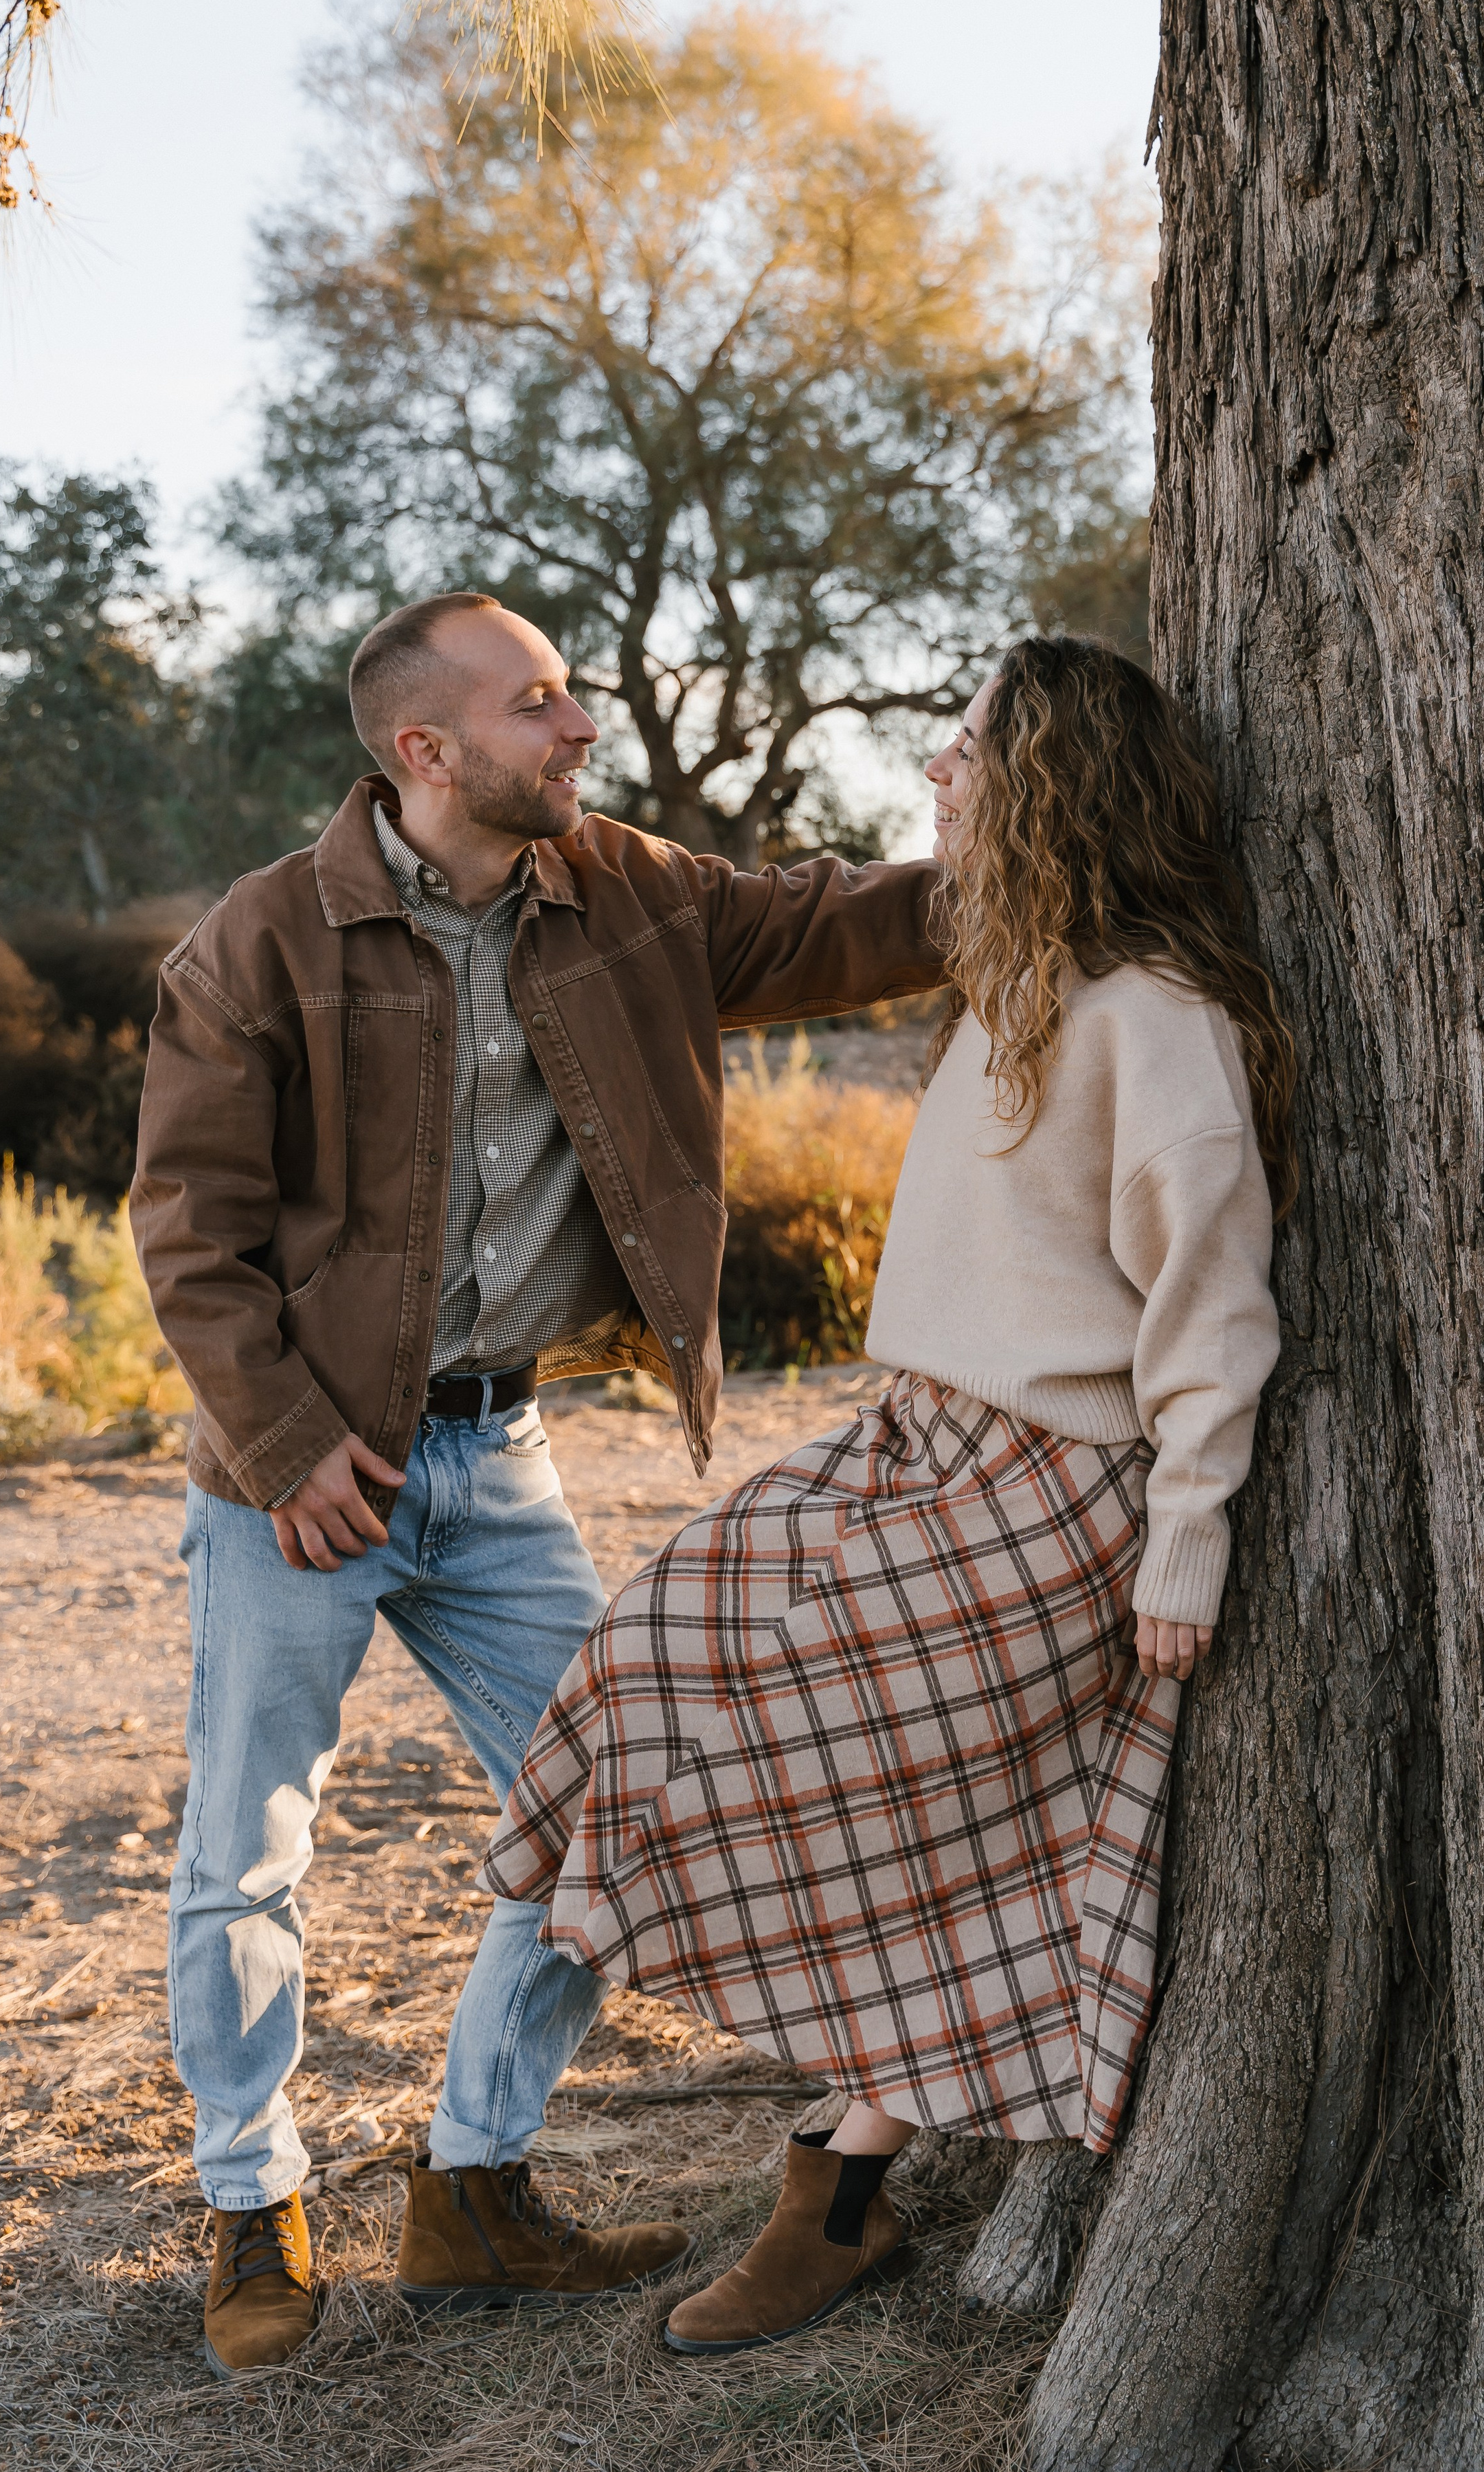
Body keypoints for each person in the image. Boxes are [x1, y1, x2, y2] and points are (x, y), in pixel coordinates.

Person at [128, 590, 943, 2379]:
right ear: (427, 751)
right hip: (299, 1475)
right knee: (247, 1853)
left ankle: (472, 2191)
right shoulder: (261, 945)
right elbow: (188, 1233)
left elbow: (823, 928)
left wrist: (1021, 862)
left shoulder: (627, 892)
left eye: (570, 697)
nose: (580, 730)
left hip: (498, 1455)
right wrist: (279, 1442)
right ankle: (248, 2208)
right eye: (539, 704)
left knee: (599, 1815)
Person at [481, 632, 1296, 2354]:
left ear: (1057, 786)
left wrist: (1190, 1539)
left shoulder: (1152, 1018)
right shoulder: (1017, 987)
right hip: (904, 1446)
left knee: (891, 1805)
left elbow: (1214, 1310)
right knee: (663, 1634)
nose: (936, 773)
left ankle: (834, 2191)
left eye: (970, 749)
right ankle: (770, 2108)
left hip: (1044, 1485)